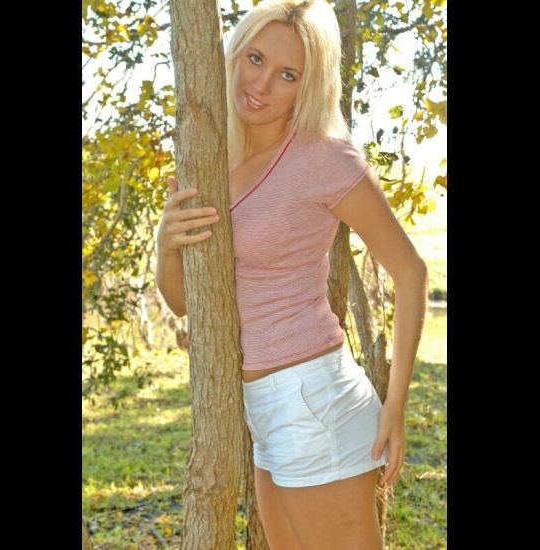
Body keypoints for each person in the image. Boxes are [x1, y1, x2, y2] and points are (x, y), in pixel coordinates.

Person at [156, 0, 428, 548]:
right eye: (255, 58)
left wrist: (395, 407)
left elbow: (411, 272)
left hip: (313, 400)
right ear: (234, 53)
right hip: (265, 406)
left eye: (288, 75)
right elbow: (187, 303)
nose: (261, 84)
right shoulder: (212, 158)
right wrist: (165, 245)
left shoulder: (322, 158)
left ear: (309, 86)